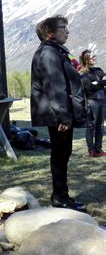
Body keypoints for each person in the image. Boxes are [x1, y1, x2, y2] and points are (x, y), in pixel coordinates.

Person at [30, 15, 87, 212]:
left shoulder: (55, 51)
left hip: (58, 113)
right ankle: (60, 198)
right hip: (58, 115)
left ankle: (61, 196)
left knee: (62, 154)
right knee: (61, 155)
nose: (67, 31)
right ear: (50, 33)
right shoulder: (49, 53)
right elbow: (54, 86)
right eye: (64, 27)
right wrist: (63, 116)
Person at [79, 49, 106, 157]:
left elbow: (104, 82)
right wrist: (99, 84)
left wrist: (98, 82)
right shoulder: (82, 73)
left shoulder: (99, 70)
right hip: (92, 101)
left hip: (103, 101)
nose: (94, 58)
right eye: (92, 56)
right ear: (86, 59)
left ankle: (98, 150)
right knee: (91, 126)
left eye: (94, 56)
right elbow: (89, 87)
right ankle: (91, 151)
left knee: (101, 127)